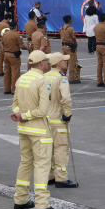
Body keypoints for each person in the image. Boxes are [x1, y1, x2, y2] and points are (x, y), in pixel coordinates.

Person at [11, 51, 65, 209]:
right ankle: (42, 205)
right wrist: (25, 115)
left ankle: (20, 200)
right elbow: (42, 110)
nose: (48, 64)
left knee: (25, 163)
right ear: (42, 63)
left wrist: (19, 115)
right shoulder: (43, 80)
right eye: (46, 61)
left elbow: (14, 104)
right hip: (39, 130)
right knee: (42, 166)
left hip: (23, 129)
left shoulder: (22, 79)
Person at [43, 53, 77, 189]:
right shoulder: (61, 78)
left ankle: (50, 176)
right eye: (64, 60)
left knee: (49, 148)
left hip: (46, 117)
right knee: (61, 148)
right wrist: (67, 114)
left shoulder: (44, 77)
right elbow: (66, 98)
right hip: (58, 118)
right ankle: (61, 177)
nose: (66, 62)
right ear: (58, 63)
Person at [59, 16, 80, 84]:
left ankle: (63, 76)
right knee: (71, 62)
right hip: (70, 46)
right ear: (70, 20)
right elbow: (73, 38)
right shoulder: (71, 29)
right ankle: (72, 78)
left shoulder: (61, 28)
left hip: (64, 46)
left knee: (64, 62)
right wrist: (75, 43)